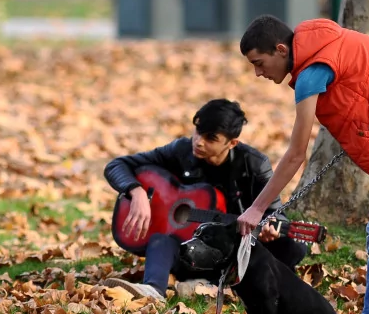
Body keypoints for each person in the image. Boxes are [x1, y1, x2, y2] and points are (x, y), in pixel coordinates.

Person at [236, 14, 369, 314]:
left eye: (259, 63)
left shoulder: (309, 76)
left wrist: (257, 209)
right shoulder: (322, 36)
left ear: (281, 49)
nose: (258, 73)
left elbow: (296, 154)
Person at [102, 99, 307, 301]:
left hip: (232, 252)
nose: (199, 141)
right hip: (186, 249)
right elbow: (116, 165)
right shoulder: (181, 150)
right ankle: (154, 290)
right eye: (198, 132)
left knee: (293, 247)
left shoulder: (254, 164)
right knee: (160, 240)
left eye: (211, 138)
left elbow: (276, 214)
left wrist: (270, 230)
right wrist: (137, 192)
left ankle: (214, 285)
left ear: (232, 143)